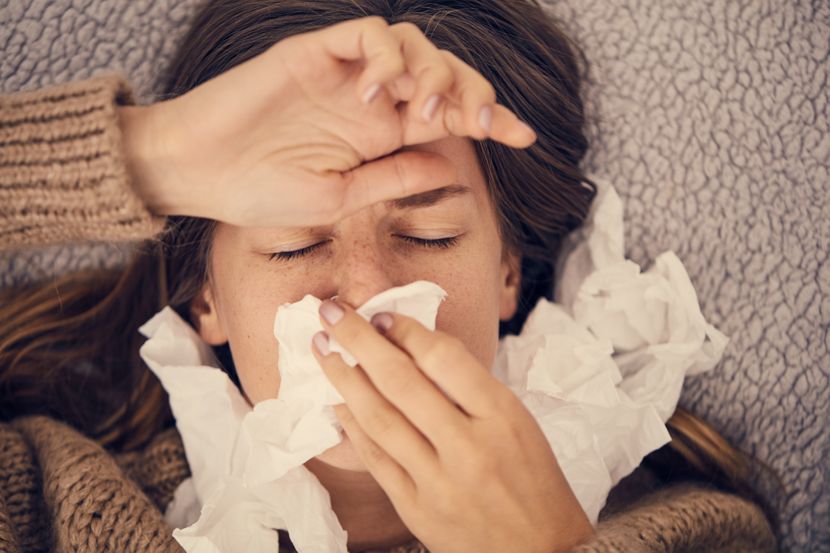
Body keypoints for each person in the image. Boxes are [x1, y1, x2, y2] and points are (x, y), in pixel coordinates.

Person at [0, 0, 776, 552]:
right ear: (206, 299)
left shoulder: (692, 533)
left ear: (508, 272)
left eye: (427, 234)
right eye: (293, 246)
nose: (369, 293)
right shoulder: (52, 505)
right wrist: (151, 156)